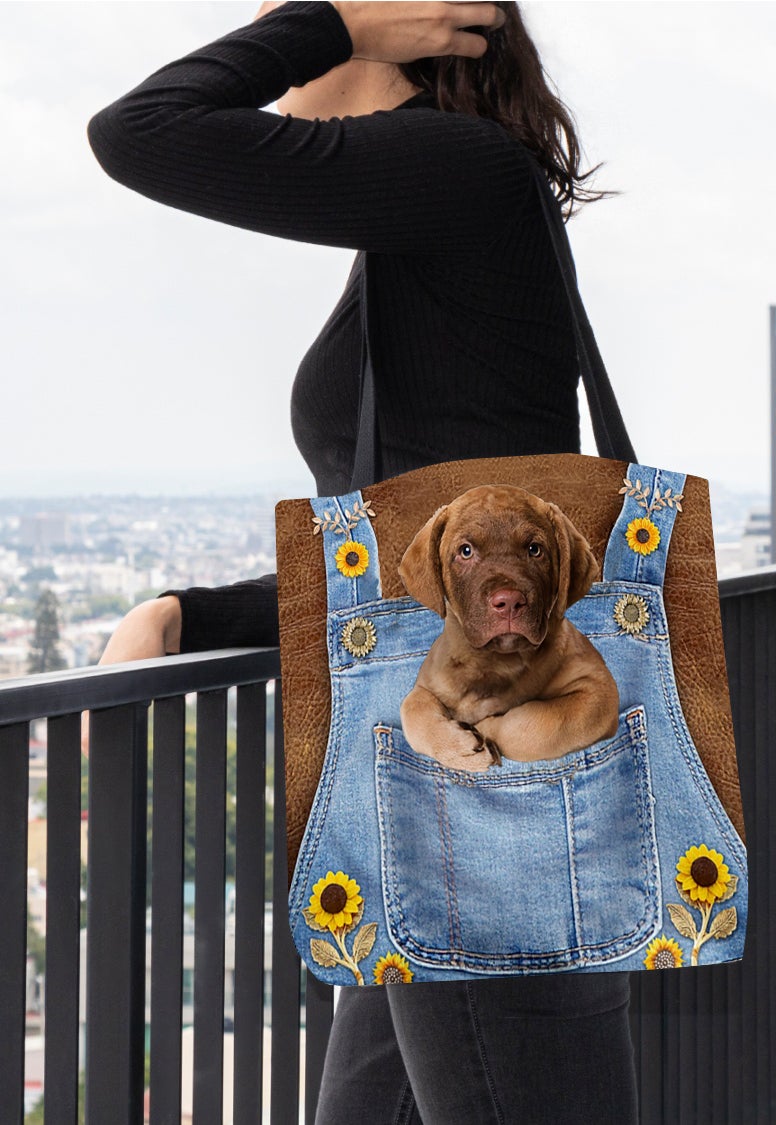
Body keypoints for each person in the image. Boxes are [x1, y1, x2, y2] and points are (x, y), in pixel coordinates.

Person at [88, 3, 638, 1121]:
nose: (267, 30)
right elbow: (419, 565)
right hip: (447, 778)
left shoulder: (456, 169)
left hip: (477, 800)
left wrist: (335, 24)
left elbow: (138, 130)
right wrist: (193, 614)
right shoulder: (440, 202)